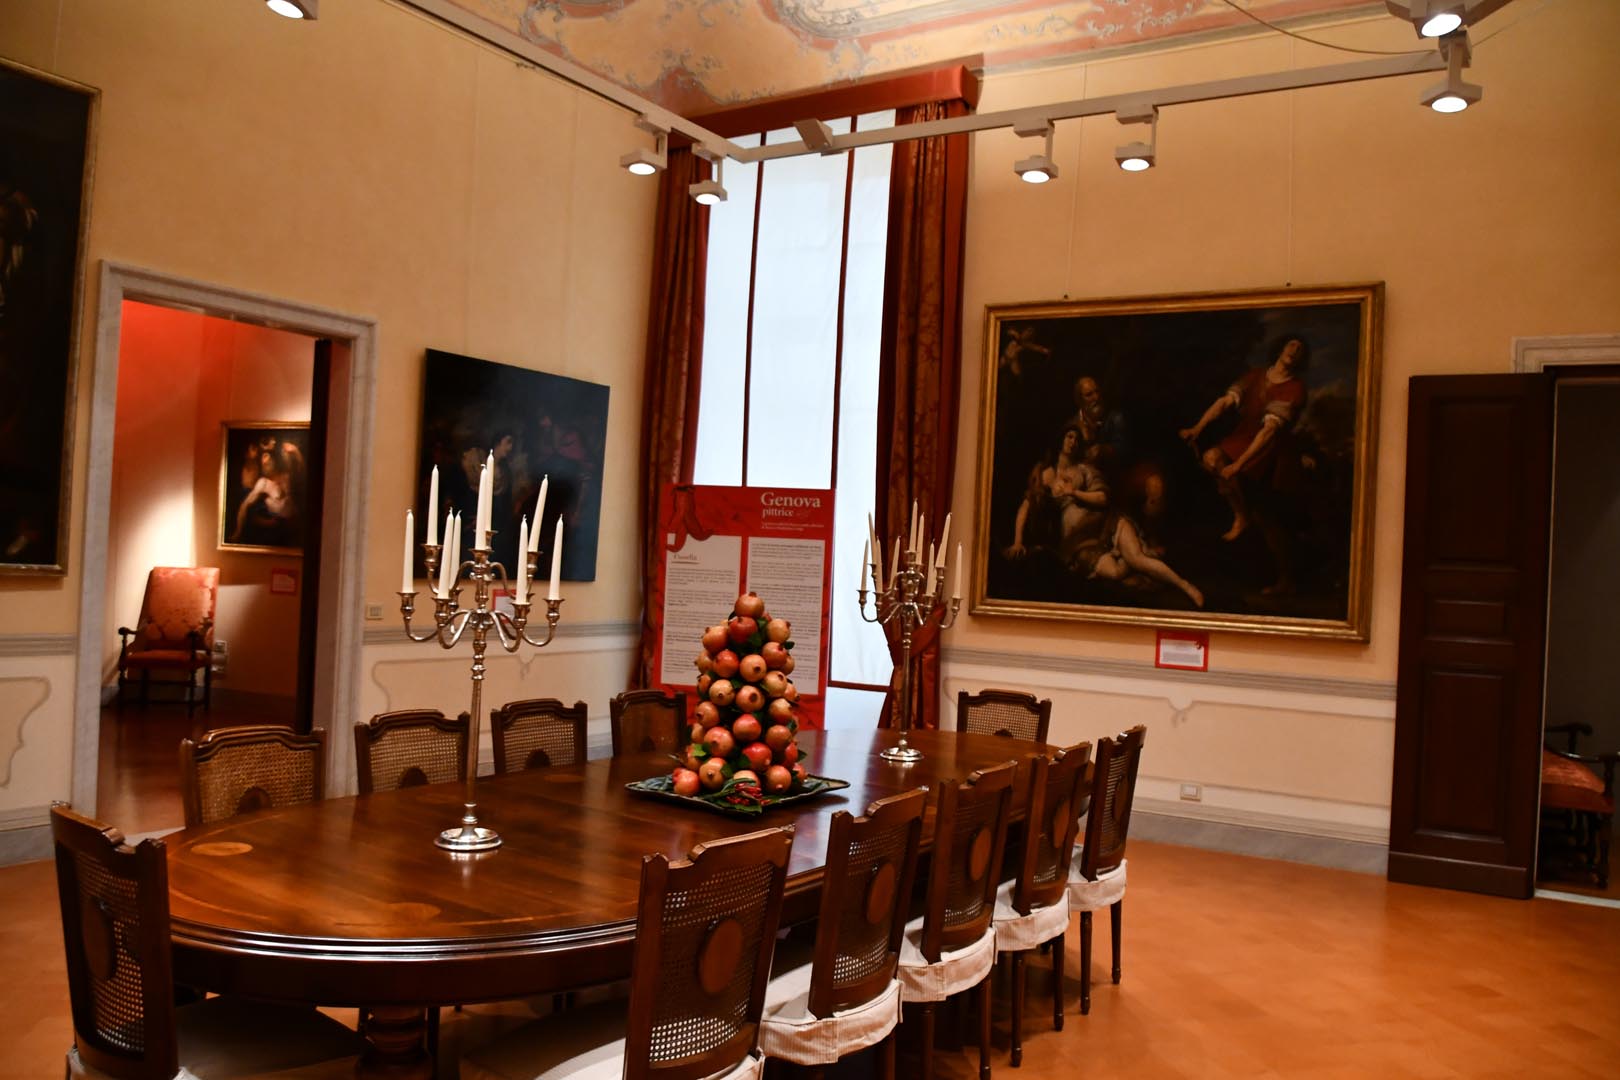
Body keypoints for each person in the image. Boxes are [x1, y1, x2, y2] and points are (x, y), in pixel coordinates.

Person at [1178, 336, 1308, 544]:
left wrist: (1239, 464)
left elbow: (1269, 431)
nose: (1295, 350)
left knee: (1268, 513)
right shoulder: (1255, 375)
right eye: (1291, 345)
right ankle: (1241, 516)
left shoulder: (1295, 388)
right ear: (1281, 348)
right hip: (1243, 436)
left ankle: (1251, 525)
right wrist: (1197, 428)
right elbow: (1224, 402)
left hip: (1271, 447)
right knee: (1211, 458)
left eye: (1300, 348)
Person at [1090, 471, 1204, 608]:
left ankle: (1186, 587)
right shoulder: (1136, 503)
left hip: (1126, 528)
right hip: (1117, 530)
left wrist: (1153, 546)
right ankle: (1180, 583)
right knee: (1132, 566)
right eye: (1151, 487)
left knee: (1138, 560)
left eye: (1157, 487)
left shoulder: (1163, 506)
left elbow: (1157, 528)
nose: (1154, 490)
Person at [1005, 427, 1108, 562]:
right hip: (1050, 535)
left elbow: (1099, 498)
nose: (1073, 442)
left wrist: (1075, 493)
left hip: (1077, 530)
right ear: (1061, 439)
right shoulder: (1044, 472)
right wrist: (1018, 541)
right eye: (1069, 437)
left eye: (1077, 440)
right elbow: (1027, 504)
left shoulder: (1081, 471)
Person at [231, 441, 302, 547]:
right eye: (262, 461)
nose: (264, 463)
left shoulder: (286, 476)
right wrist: (237, 532)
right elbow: (244, 506)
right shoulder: (263, 483)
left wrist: (296, 451)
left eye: (267, 459)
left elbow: (301, 469)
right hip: (279, 530)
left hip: (295, 526)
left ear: (274, 460)